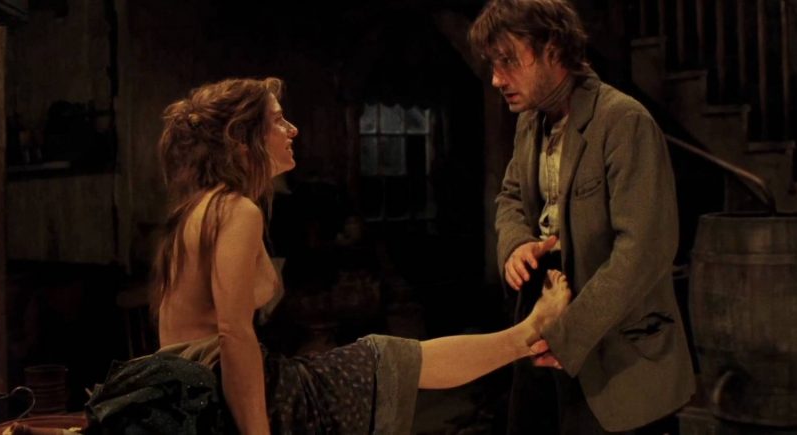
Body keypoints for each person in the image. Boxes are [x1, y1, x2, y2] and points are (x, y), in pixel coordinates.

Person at [85, 77, 573, 435]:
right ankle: (528, 333)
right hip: (212, 398)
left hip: (205, 389)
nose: (292, 129)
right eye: (278, 120)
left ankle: (523, 335)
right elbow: (234, 337)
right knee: (383, 356)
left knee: (382, 355)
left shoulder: (205, 206)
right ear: (243, 138)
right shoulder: (233, 210)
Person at [469, 1, 695, 434]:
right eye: (493, 64)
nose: (497, 79)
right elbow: (511, 196)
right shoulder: (530, 121)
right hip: (542, 326)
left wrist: (569, 335)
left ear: (553, 49)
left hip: (615, 353)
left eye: (508, 61)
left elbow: (644, 250)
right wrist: (515, 243)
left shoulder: (622, 121)